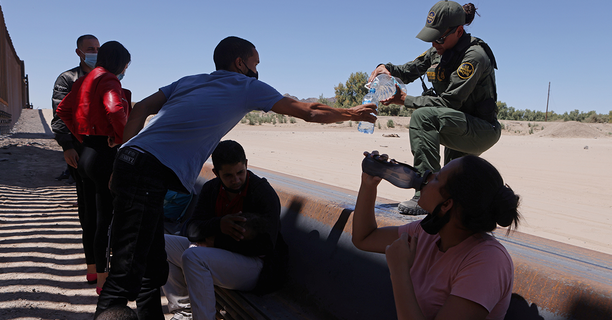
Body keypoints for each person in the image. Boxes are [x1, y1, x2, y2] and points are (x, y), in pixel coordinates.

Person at [95, 36, 376, 319]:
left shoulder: (189, 80)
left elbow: (141, 107)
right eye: (255, 63)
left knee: (153, 266)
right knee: (126, 274)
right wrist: (351, 114)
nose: (256, 70)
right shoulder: (245, 86)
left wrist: (121, 156)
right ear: (241, 63)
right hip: (146, 173)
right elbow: (310, 111)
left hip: (131, 161)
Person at [368, 1, 500, 215]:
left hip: (481, 129)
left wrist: (404, 99)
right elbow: (408, 70)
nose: (435, 43)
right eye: (432, 38)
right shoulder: (437, 52)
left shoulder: (474, 56)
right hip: (457, 124)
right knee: (454, 188)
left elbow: (449, 103)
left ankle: (425, 193)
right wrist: (386, 69)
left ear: (459, 31)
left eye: (439, 38)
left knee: (423, 117)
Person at [352, 151, 520, 320]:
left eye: (438, 178)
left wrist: (399, 271)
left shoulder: (487, 261)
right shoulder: (427, 234)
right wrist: (368, 185)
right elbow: (365, 238)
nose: (427, 176)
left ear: (447, 204)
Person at [163, 140, 287, 320]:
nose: (236, 180)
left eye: (240, 172)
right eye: (228, 175)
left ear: (246, 164)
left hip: (256, 267)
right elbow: (191, 229)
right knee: (163, 243)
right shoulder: (211, 188)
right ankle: (184, 313)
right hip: (218, 256)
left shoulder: (262, 193)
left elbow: (265, 246)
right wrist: (218, 224)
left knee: (193, 257)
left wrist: (217, 241)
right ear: (216, 173)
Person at [57, 40, 132, 294]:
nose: (125, 71)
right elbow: (114, 108)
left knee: (88, 215)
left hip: (86, 152)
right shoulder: (109, 79)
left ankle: (91, 269)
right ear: (118, 63)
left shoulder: (83, 80)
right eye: (125, 66)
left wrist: (81, 137)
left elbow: (62, 109)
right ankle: (103, 280)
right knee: (105, 219)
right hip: (103, 155)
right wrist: (122, 137)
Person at [51, 34, 100, 285]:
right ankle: (92, 265)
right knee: (88, 213)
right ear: (79, 52)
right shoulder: (67, 79)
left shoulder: (106, 76)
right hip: (80, 154)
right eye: (90, 49)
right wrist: (67, 147)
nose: (94, 52)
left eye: (98, 48)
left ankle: (103, 265)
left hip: (104, 154)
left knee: (105, 212)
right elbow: (59, 116)